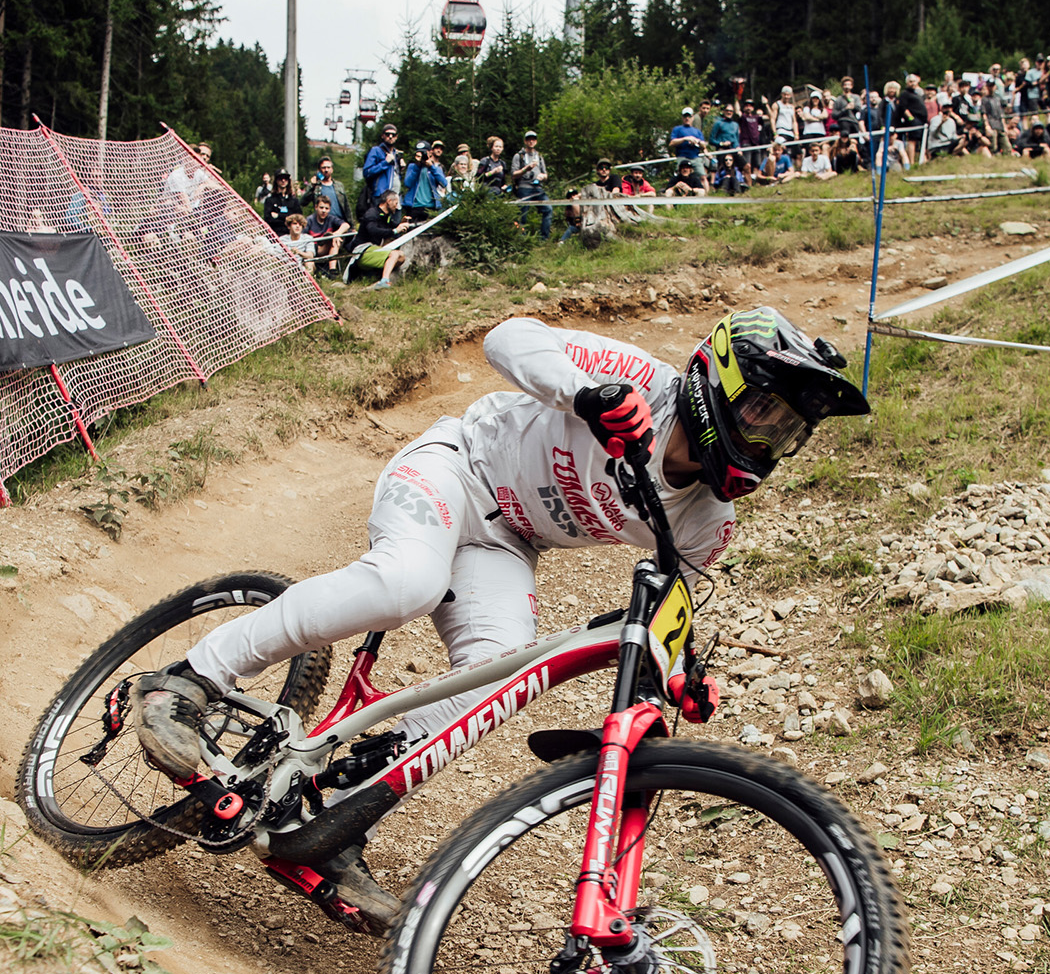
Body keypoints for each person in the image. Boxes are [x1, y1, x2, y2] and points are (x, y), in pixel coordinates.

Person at [131, 308, 867, 925]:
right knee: (406, 583)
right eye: (763, 414)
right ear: (720, 383)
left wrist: (680, 670)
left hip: (508, 542)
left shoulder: (709, 518)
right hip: (455, 467)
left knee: (495, 680)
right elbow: (508, 337)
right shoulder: (643, 381)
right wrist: (582, 393)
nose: (769, 440)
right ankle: (190, 679)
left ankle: (334, 820)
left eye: (787, 433)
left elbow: (675, 600)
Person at [353, 190, 411, 287]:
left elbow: (392, 229)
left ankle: (378, 275)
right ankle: (384, 281)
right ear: (388, 201)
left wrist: (402, 224)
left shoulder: (386, 216)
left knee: (401, 257)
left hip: (375, 249)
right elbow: (373, 230)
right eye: (396, 203)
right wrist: (395, 230)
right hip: (363, 251)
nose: (397, 207)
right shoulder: (372, 213)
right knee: (395, 254)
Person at [511, 129, 550, 238]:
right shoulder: (519, 156)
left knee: (548, 209)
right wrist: (526, 169)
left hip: (538, 188)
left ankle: (544, 238)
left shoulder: (540, 157)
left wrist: (543, 176)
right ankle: (521, 239)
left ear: (536, 141)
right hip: (524, 188)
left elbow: (546, 174)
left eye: (533, 139)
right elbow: (513, 174)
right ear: (525, 141)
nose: (531, 141)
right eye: (529, 139)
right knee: (521, 216)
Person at [401, 141, 450, 221]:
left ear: (430, 153)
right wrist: (417, 166)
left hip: (431, 207)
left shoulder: (436, 168)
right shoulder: (412, 167)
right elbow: (408, 184)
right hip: (414, 206)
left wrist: (431, 167)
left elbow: (444, 183)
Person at [303, 195, 351, 273]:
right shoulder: (309, 220)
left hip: (329, 245)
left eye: (326, 208)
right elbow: (302, 237)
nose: (324, 211)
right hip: (313, 248)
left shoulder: (331, 218)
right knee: (333, 238)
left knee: (336, 239)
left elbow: (346, 225)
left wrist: (336, 234)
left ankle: (332, 269)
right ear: (316, 207)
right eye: (321, 208)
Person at [362, 124, 405, 205]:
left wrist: (401, 168)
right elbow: (367, 172)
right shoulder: (376, 150)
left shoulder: (397, 154)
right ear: (382, 136)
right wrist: (385, 162)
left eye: (393, 135)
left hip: (396, 197)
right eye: (387, 134)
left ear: (397, 137)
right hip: (381, 197)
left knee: (396, 218)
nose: (391, 137)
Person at [305, 157, 350, 226]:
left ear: (332, 169)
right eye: (324, 168)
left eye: (328, 167)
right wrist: (312, 186)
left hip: (339, 222)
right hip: (323, 224)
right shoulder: (315, 186)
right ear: (319, 170)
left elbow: (346, 206)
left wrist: (351, 225)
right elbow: (303, 202)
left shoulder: (339, 185)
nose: (326, 170)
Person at [670, 107, 707, 179]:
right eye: (685, 116)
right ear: (682, 117)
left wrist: (697, 141)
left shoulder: (697, 131)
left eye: (689, 116)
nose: (687, 118)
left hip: (695, 157)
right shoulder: (677, 129)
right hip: (682, 157)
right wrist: (685, 139)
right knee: (679, 177)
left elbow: (704, 145)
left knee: (703, 177)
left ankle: (706, 190)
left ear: (692, 117)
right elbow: (672, 143)